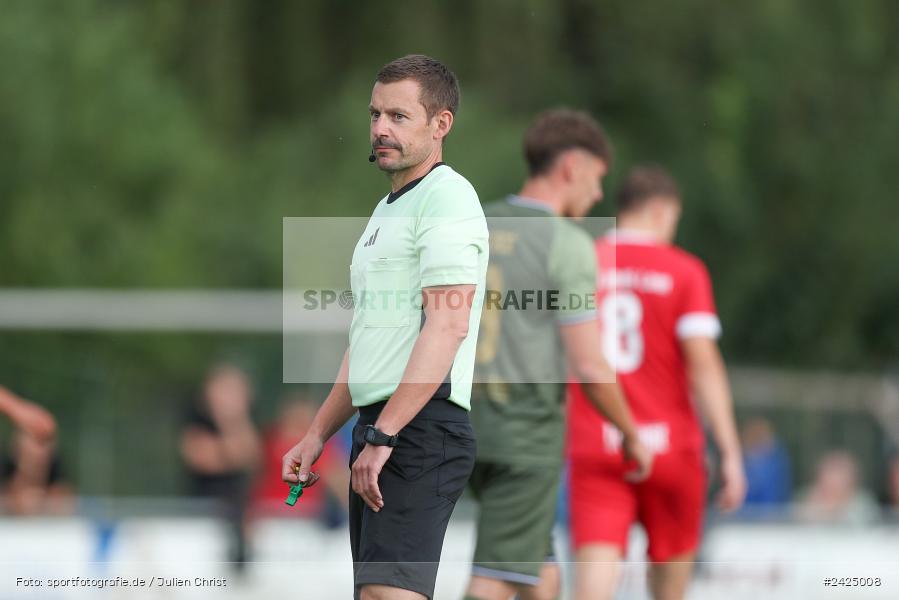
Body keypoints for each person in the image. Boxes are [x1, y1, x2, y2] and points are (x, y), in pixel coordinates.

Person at [281, 54, 489, 600]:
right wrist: (318, 433)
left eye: (398, 116)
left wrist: (385, 433)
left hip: (418, 427)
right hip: (383, 428)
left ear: (440, 124)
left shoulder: (447, 197)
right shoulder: (387, 210)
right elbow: (369, 341)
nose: (379, 129)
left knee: (387, 595)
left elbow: (447, 326)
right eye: (375, 114)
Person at [464, 109, 652, 600]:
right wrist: (631, 433)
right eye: (595, 179)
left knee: (539, 572)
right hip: (523, 437)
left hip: (456, 424)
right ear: (571, 166)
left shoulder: (473, 221)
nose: (596, 196)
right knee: (496, 579)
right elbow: (589, 365)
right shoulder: (567, 244)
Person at [567, 165, 747, 600]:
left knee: (592, 587)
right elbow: (703, 364)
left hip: (597, 442)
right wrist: (729, 449)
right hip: (671, 449)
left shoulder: (581, 261)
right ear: (663, 211)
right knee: (670, 587)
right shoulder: (684, 271)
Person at [180, 364, 261, 570]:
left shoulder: (245, 421)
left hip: (241, 503)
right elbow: (203, 459)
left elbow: (253, 458)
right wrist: (234, 452)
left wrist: (231, 421)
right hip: (204, 505)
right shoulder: (196, 419)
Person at [251, 394, 349, 523]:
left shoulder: (317, 447)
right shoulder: (269, 439)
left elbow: (338, 480)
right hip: (269, 511)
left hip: (304, 513)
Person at [797, 450, 879, 525]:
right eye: (830, 470)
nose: (834, 478)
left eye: (839, 471)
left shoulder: (863, 502)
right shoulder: (804, 499)